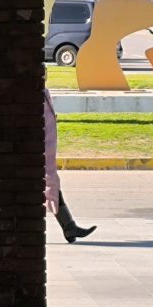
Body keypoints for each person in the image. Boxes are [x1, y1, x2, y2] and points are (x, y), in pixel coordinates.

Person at [45, 88, 96, 243]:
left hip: (46, 153)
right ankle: (69, 227)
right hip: (42, 153)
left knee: (51, 187)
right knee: (50, 186)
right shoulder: (35, 96)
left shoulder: (43, 94)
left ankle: (69, 227)